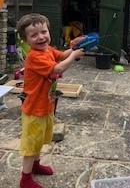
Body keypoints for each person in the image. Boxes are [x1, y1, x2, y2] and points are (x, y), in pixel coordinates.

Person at [17, 13, 84, 188]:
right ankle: (25, 180)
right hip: (34, 110)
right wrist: (74, 56)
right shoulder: (35, 56)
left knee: (39, 141)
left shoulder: (47, 50)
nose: (40, 37)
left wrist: (76, 46)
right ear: (26, 39)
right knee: (31, 146)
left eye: (43, 31)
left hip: (45, 106)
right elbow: (57, 68)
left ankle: (36, 166)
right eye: (34, 35)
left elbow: (62, 55)